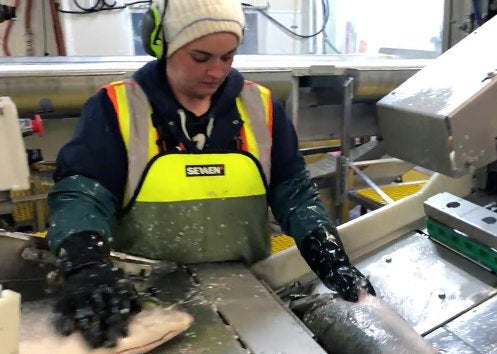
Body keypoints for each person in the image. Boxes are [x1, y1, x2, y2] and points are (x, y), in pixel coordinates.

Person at [46, 0, 375, 348]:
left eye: (228, 57)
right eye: (201, 58)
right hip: (144, 304)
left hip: (248, 294)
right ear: (164, 45)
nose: (216, 71)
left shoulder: (260, 108)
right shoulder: (116, 108)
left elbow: (294, 194)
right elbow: (83, 195)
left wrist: (329, 256)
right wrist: (85, 264)